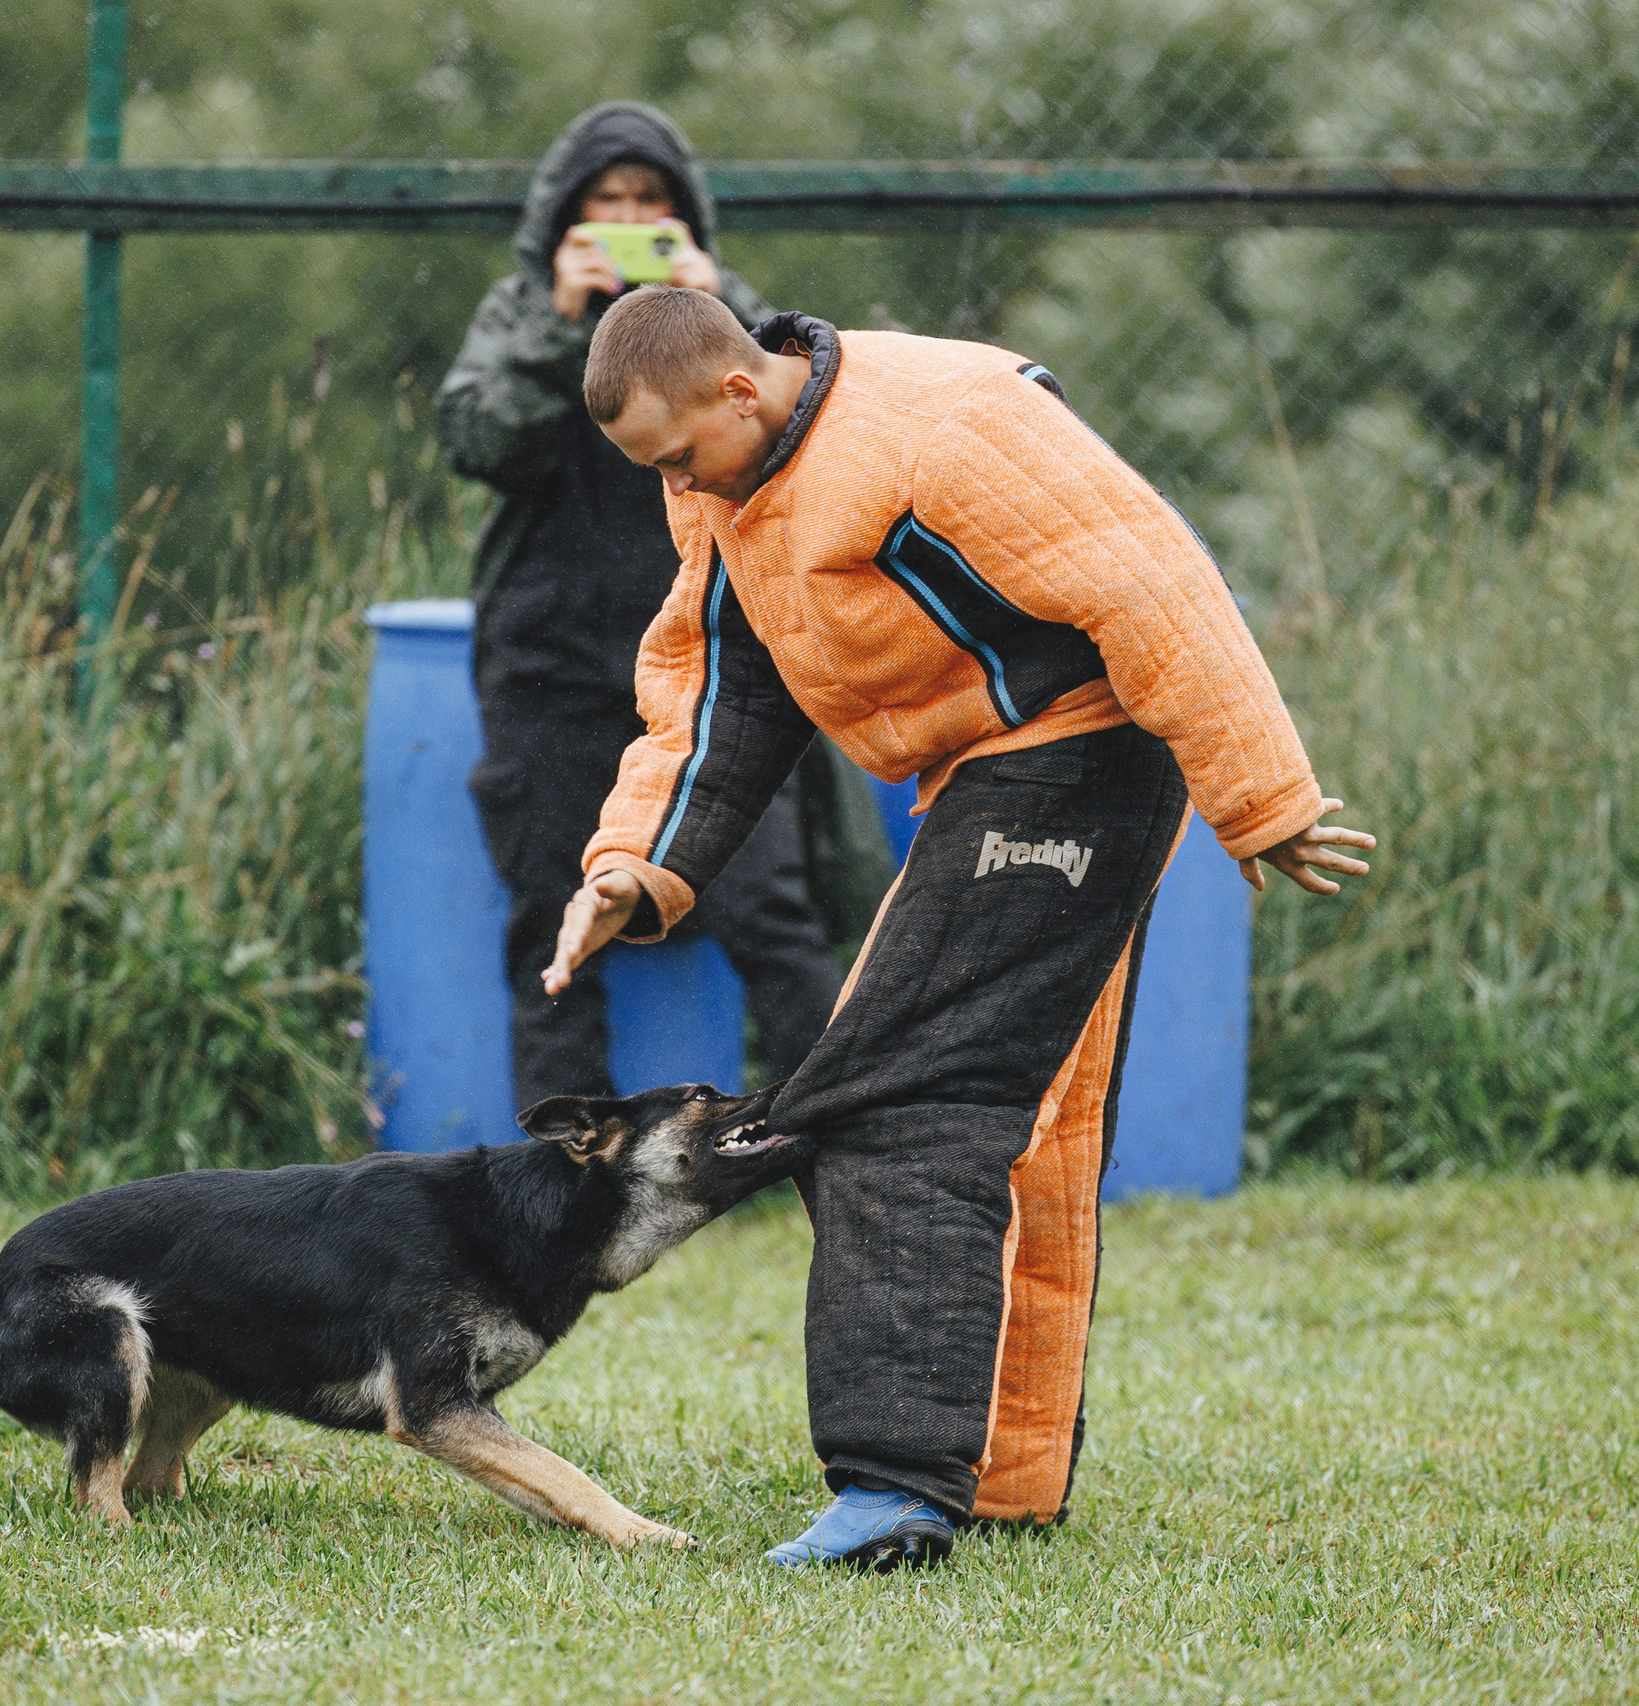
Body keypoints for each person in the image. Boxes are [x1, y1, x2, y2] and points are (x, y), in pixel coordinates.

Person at [540, 287, 1375, 1569]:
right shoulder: (726, 487)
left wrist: (1258, 794)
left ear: (738, 392)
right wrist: (634, 865)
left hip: (1081, 753)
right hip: (980, 777)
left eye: (672, 456)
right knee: (1022, 1133)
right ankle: (999, 1471)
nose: (672, 486)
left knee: (890, 1097)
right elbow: (719, 683)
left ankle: (892, 1489)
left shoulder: (946, 422)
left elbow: (1154, 576)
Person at [435, 102, 841, 1109]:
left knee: (773, 913)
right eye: (604, 203)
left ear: (685, 217)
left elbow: (807, 421)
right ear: (564, 219)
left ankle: (835, 1138)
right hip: (549, 665)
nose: (624, 219)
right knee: (549, 918)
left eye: (647, 204)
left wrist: (719, 305)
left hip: (718, 662)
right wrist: (553, 327)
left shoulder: (730, 316)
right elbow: (477, 443)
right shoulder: (521, 309)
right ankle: (561, 1171)